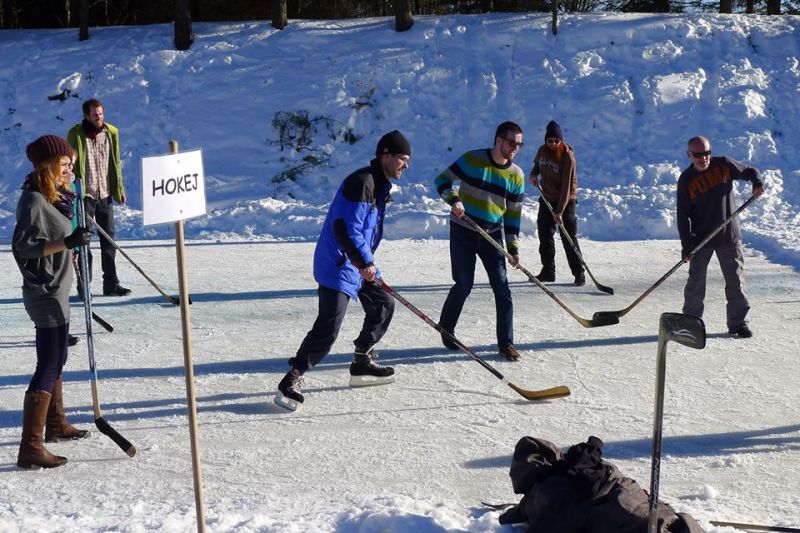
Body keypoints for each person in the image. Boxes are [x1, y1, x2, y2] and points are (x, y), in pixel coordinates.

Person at [275, 130, 412, 411]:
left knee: (383, 304)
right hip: (338, 263)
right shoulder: (361, 183)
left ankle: (362, 360)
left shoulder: (379, 185)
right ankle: (292, 378)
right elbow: (345, 229)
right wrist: (364, 262)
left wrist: (364, 262)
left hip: (355, 262)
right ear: (385, 156)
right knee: (328, 327)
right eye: (402, 158)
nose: (405, 165)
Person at [12, 135, 93, 469]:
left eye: (71, 161)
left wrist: (77, 221)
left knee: (57, 357)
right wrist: (67, 241)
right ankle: (30, 447)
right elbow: (24, 248)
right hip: (44, 291)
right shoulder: (33, 200)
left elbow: (60, 229)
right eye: (64, 162)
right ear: (48, 164)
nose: (69, 167)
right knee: (48, 363)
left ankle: (56, 425)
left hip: (58, 288)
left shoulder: (56, 197)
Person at [434, 122, 525, 361]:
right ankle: (446, 328)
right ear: (498, 140)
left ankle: (506, 343)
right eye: (511, 143)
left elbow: (513, 214)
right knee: (464, 284)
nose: (515, 148)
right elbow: (441, 180)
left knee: (502, 289)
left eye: (519, 144)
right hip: (463, 230)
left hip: (491, 235)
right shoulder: (473, 159)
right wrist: (454, 200)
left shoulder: (516, 175)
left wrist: (513, 247)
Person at [677, 135, 765, 338]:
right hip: (701, 239)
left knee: (736, 280)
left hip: (728, 235)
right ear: (689, 155)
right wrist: (687, 245)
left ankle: (738, 323)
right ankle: (691, 323)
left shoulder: (724, 164)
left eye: (706, 153)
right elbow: (682, 216)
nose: (703, 158)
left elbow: (751, 171)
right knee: (696, 283)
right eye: (698, 154)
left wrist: (757, 182)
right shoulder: (686, 180)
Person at [67, 98, 131, 297]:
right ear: (86, 115)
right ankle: (84, 286)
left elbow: (115, 162)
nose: (99, 117)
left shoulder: (111, 132)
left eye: (101, 113)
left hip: (104, 193)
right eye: (95, 114)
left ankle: (111, 284)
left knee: (109, 241)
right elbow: (69, 164)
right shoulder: (76, 134)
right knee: (83, 241)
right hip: (85, 195)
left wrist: (118, 188)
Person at [529, 120, 585, 286]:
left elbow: (567, 187)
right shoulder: (542, 151)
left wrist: (560, 210)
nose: (553, 144)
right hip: (547, 198)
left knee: (568, 237)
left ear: (561, 141)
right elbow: (536, 166)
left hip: (566, 201)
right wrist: (533, 174)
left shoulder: (568, 157)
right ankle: (548, 271)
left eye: (556, 141)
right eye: (549, 141)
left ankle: (579, 272)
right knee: (544, 235)